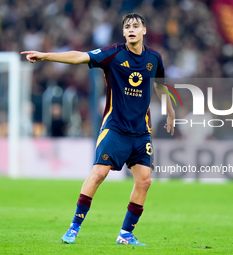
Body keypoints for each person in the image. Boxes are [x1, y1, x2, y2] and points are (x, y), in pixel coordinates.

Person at [21, 13, 175, 246]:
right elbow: (79, 57)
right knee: (99, 174)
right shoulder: (113, 54)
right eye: (127, 27)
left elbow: (161, 86)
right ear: (123, 33)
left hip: (141, 131)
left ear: (144, 30)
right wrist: (45, 56)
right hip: (115, 128)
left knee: (145, 181)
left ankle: (125, 234)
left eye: (136, 26)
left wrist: (171, 113)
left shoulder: (154, 58)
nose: (131, 30)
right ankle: (74, 227)